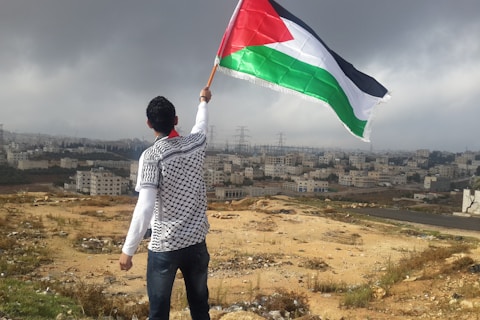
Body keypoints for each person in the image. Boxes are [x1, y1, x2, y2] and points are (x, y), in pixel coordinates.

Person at [119, 87, 212, 320]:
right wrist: (203, 101)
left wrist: (128, 250)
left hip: (165, 246)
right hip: (196, 242)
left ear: (149, 124)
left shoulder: (151, 156)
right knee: (200, 307)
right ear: (176, 120)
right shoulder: (195, 145)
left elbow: (145, 207)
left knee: (159, 312)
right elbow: (201, 126)